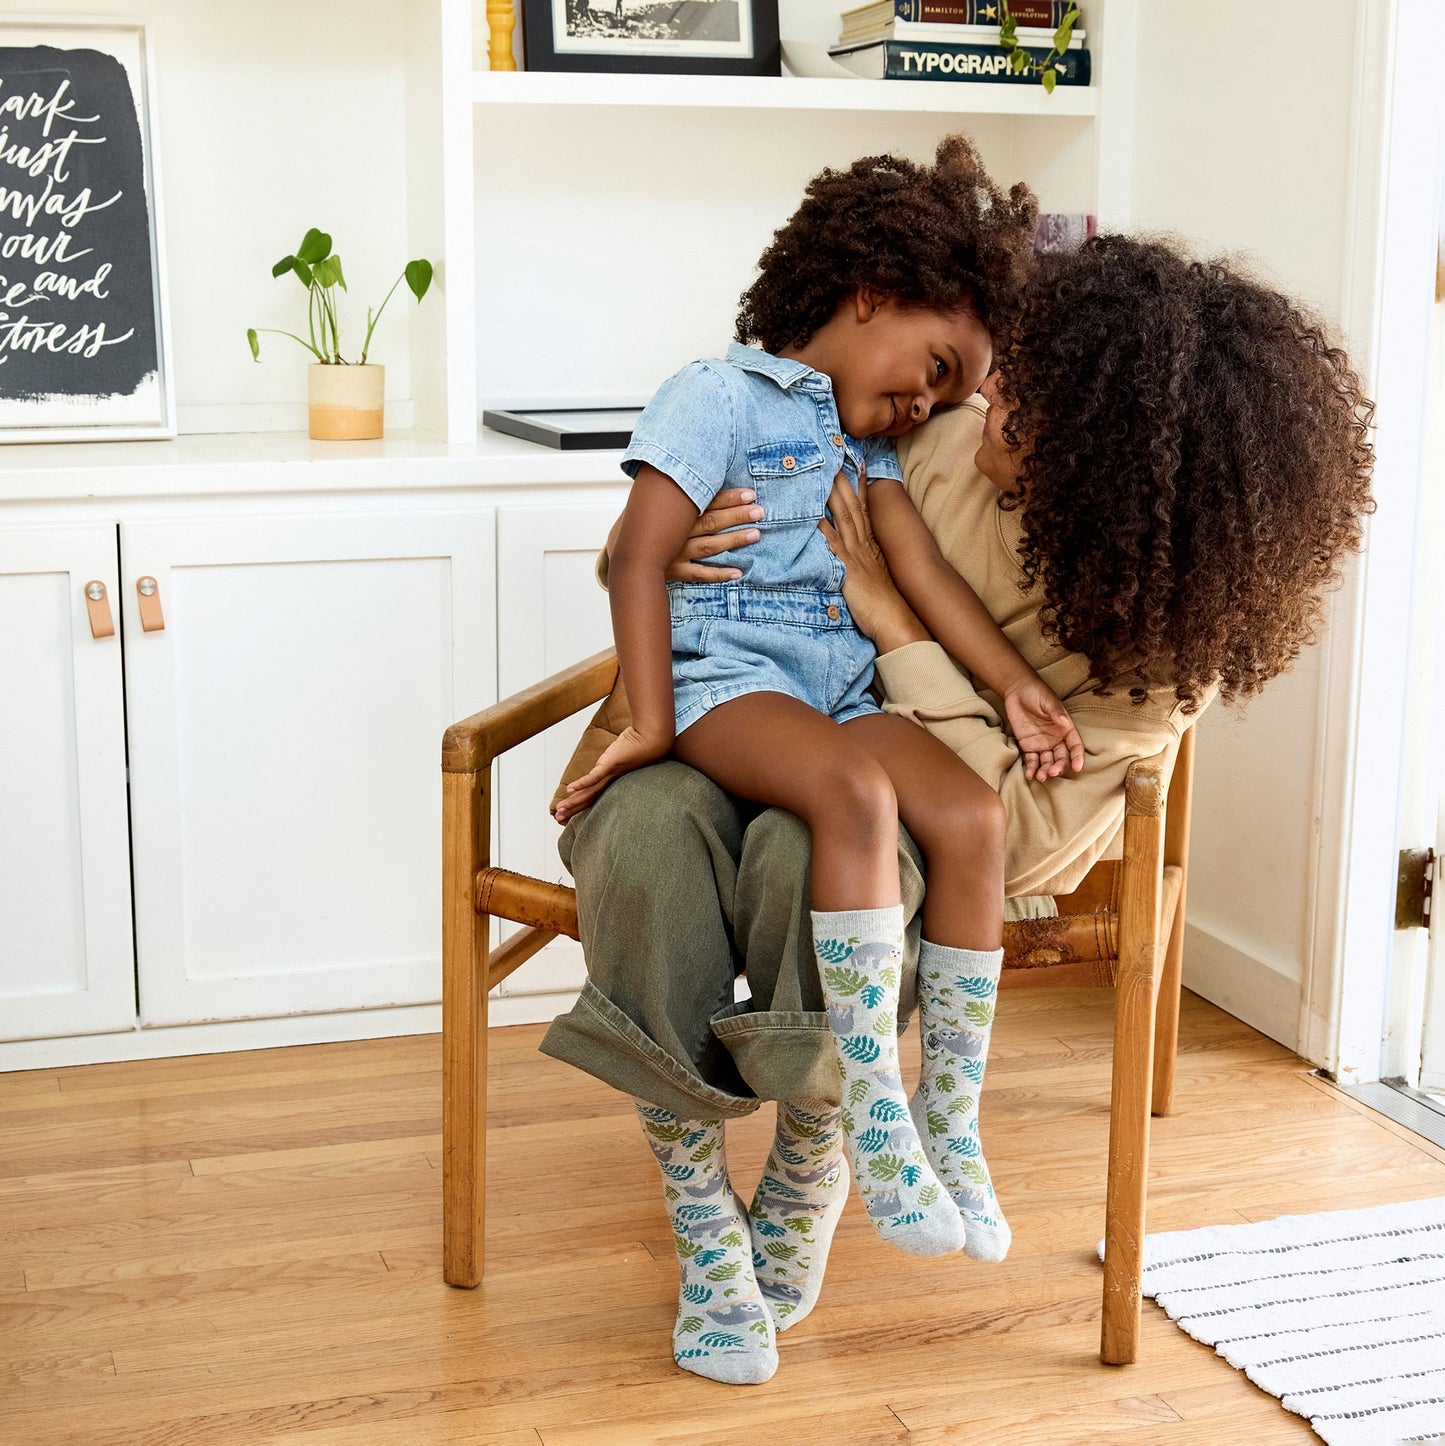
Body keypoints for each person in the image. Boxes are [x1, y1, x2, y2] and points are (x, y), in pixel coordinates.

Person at [542, 233, 1377, 1387]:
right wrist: (665, 553)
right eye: (982, 369)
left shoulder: (1165, 641)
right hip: (732, 712)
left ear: (1102, 445)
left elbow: (1025, 833)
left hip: (875, 781)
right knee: (642, 838)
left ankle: (821, 1146)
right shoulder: (909, 430)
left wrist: (899, 636)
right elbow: (697, 525)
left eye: (1016, 387)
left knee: (816, 838)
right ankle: (695, 1204)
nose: (983, 392)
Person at [560, 134, 1077, 1316]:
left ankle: (949, 1129)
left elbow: (925, 576)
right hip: (725, 681)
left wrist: (1008, 688)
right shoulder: (711, 395)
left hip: (837, 693)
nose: (930, 401)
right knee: (854, 796)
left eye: (951, 395)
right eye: (934, 365)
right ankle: (873, 1117)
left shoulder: (867, 442)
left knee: (963, 809)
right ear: (868, 295)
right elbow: (635, 561)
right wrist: (646, 721)